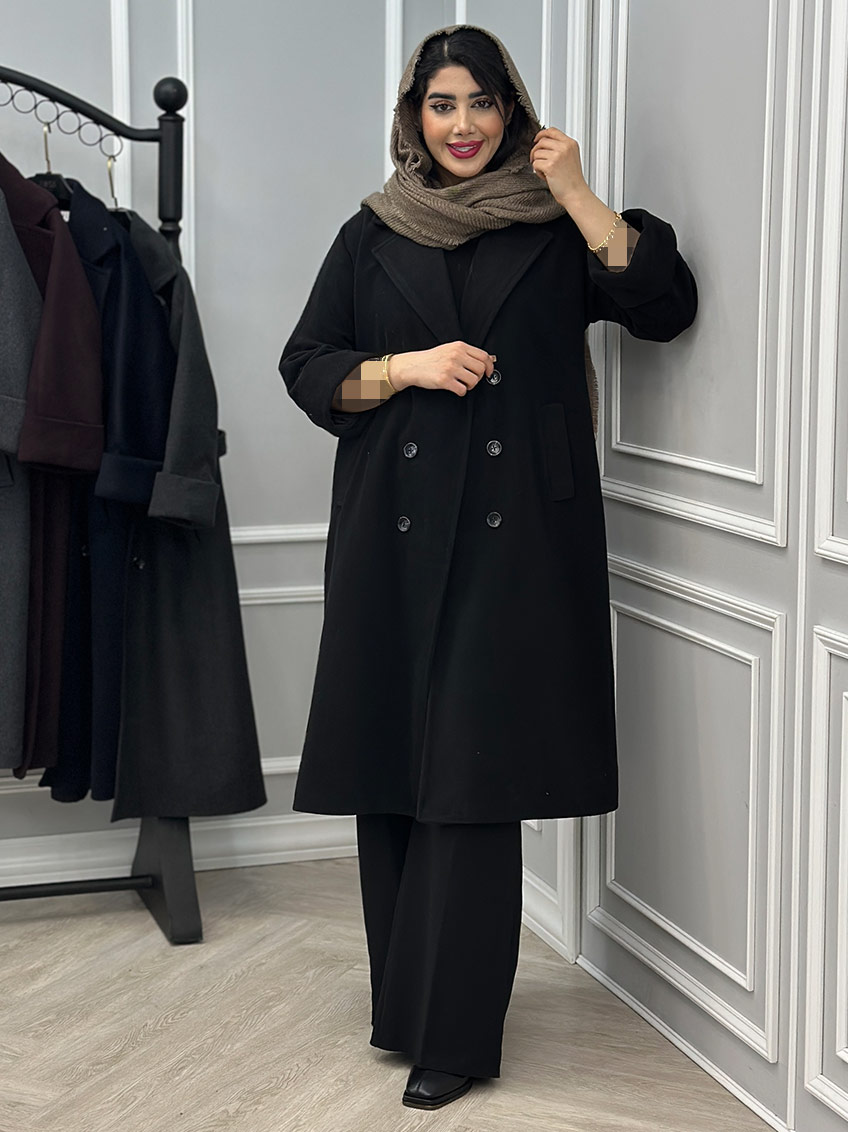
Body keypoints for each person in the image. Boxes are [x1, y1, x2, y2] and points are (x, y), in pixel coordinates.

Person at [278, 22, 697, 1111]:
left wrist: (580, 192)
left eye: (480, 103)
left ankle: (454, 1037)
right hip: (391, 533)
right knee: (391, 774)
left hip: (516, 543)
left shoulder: (555, 227)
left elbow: (662, 305)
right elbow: (305, 364)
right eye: (440, 104)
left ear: (511, 112)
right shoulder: (373, 230)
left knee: (471, 782)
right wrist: (403, 368)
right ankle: (405, 1012)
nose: (460, 125)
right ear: (412, 117)